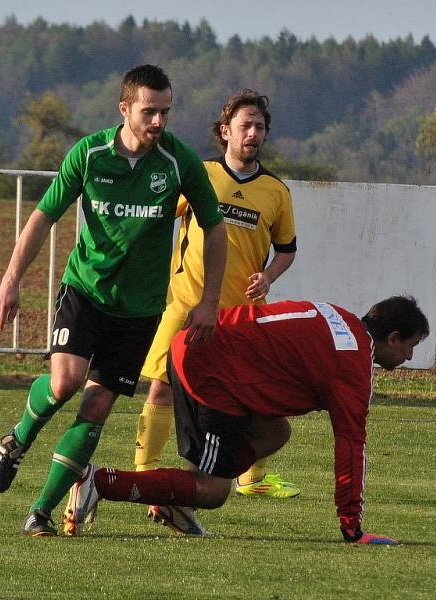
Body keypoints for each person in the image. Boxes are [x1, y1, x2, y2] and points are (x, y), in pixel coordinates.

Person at [0, 64, 228, 537]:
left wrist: (209, 301)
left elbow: (215, 228)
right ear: (125, 109)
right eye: (149, 112)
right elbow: (43, 216)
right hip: (85, 291)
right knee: (65, 383)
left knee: (97, 407)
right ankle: (18, 439)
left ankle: (41, 511)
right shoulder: (90, 154)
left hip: (139, 310)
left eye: (165, 112)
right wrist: (9, 280)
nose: (158, 122)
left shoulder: (179, 163)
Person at [65, 296, 429, 544]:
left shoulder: (341, 317)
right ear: (392, 338)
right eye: (410, 346)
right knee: (214, 489)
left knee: (275, 431)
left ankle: (176, 499)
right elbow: (351, 445)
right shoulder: (354, 361)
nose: (409, 357)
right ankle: (99, 481)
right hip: (212, 368)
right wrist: (352, 527)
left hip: (202, 347)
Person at [130, 89, 299, 532]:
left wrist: (270, 277)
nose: (254, 133)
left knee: (248, 399)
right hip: (186, 306)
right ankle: (145, 474)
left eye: (260, 126)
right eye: (246, 125)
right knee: (161, 388)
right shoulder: (199, 174)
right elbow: (158, 217)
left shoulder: (276, 191)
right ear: (225, 131)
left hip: (242, 318)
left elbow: (287, 250)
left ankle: (251, 478)